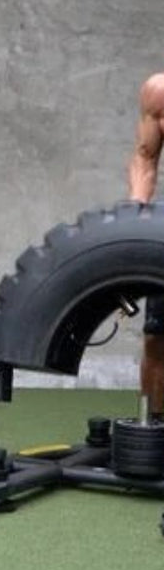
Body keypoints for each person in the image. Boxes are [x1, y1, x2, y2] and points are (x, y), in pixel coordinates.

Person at [128, 72, 164, 421]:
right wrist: (135, 221)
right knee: (158, 339)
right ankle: (151, 430)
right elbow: (145, 158)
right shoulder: (159, 91)